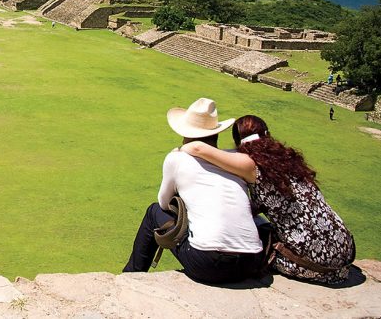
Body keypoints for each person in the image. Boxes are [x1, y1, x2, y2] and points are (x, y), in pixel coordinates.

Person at [181, 115, 355, 284]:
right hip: (343, 247)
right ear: (267, 133)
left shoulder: (252, 165)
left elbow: (197, 148)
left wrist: (179, 152)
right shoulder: (286, 160)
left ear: (237, 141)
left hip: (315, 261)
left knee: (253, 240)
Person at [123, 98, 263, 284]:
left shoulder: (177, 158)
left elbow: (165, 203)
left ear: (185, 134)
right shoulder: (236, 159)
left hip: (208, 264)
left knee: (153, 211)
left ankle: (131, 276)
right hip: (252, 262)